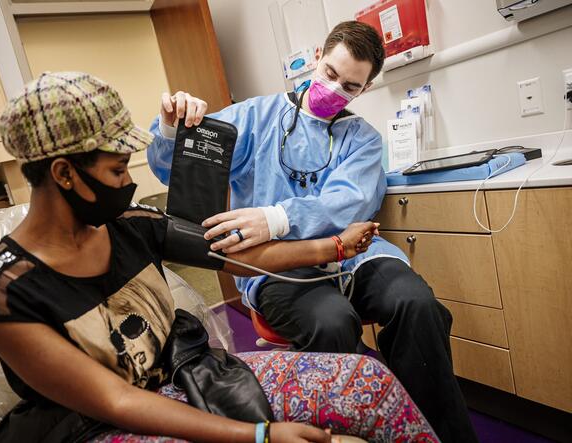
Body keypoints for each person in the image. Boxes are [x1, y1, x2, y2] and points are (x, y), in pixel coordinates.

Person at [0, 72, 438, 443]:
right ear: (64, 173)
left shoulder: (130, 225)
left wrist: (334, 247)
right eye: (117, 169)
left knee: (369, 382)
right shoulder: (0, 290)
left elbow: (242, 260)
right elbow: (116, 400)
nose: (130, 183)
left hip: (188, 374)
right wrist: (259, 434)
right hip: (94, 423)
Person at [147, 21, 478, 443]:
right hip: (281, 269)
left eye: (351, 87)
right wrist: (174, 129)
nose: (335, 89)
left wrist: (277, 217)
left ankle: (438, 434)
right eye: (330, 74)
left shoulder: (362, 140)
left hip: (356, 256)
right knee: (332, 321)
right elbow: (180, 165)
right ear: (318, 56)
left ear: (366, 88)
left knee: (416, 304)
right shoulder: (255, 117)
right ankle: (361, 428)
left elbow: (350, 203)